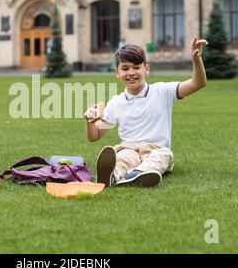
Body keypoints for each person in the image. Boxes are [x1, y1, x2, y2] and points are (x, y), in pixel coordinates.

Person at [84, 38, 208, 187]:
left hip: (157, 149)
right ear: (117, 72)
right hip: (129, 149)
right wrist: (89, 122)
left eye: (136, 67)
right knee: (123, 159)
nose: (131, 73)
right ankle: (112, 175)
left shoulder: (163, 91)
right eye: (125, 68)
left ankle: (138, 174)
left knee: (160, 158)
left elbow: (198, 83)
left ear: (146, 69)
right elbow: (94, 136)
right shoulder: (116, 102)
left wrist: (196, 59)